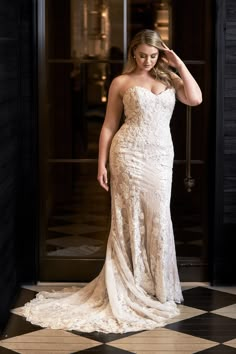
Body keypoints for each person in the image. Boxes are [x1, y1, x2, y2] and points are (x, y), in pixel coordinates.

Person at [14, 29, 202, 334]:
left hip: (160, 158)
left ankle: (156, 285)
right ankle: (130, 283)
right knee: (126, 219)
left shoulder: (171, 79)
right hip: (127, 154)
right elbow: (108, 126)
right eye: (141, 55)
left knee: (158, 217)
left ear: (161, 55)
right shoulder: (121, 82)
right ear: (132, 53)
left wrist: (177, 62)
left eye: (153, 56)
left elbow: (195, 99)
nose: (146, 61)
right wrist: (101, 163)